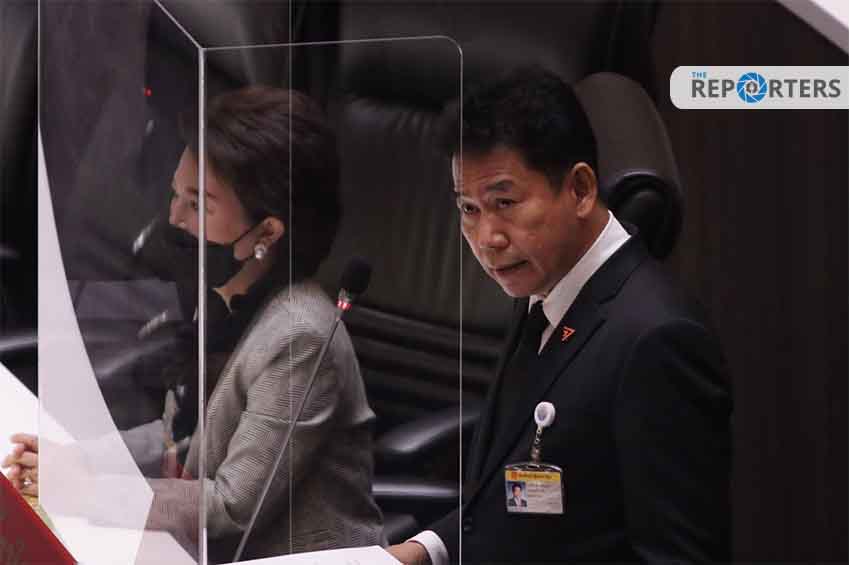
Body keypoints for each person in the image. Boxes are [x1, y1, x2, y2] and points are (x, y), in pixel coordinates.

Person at [3, 86, 384, 561]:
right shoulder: (225, 299)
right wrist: (78, 458)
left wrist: (88, 489)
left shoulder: (299, 337)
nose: (173, 217)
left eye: (198, 204)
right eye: (176, 194)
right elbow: (179, 440)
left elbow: (231, 506)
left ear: (267, 233)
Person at [388, 67, 732, 563]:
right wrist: (424, 550)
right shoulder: (545, 284)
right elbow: (521, 504)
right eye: (469, 209)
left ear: (581, 189)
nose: (487, 238)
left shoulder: (658, 339)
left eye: (505, 202)